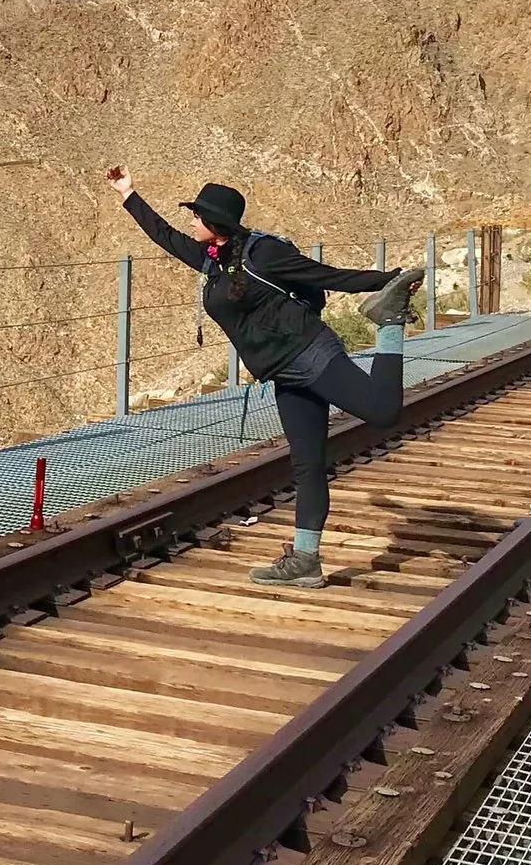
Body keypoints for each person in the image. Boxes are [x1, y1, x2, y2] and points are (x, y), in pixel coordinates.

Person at [107, 167, 424, 588]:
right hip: (285, 373)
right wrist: (129, 194)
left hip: (311, 354)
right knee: (307, 464)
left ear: (213, 222)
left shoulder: (263, 255)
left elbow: (323, 275)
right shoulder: (212, 259)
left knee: (383, 411)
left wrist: (387, 282)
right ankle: (305, 561)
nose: (190, 221)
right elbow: (163, 236)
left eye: (196, 215)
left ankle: (389, 321)